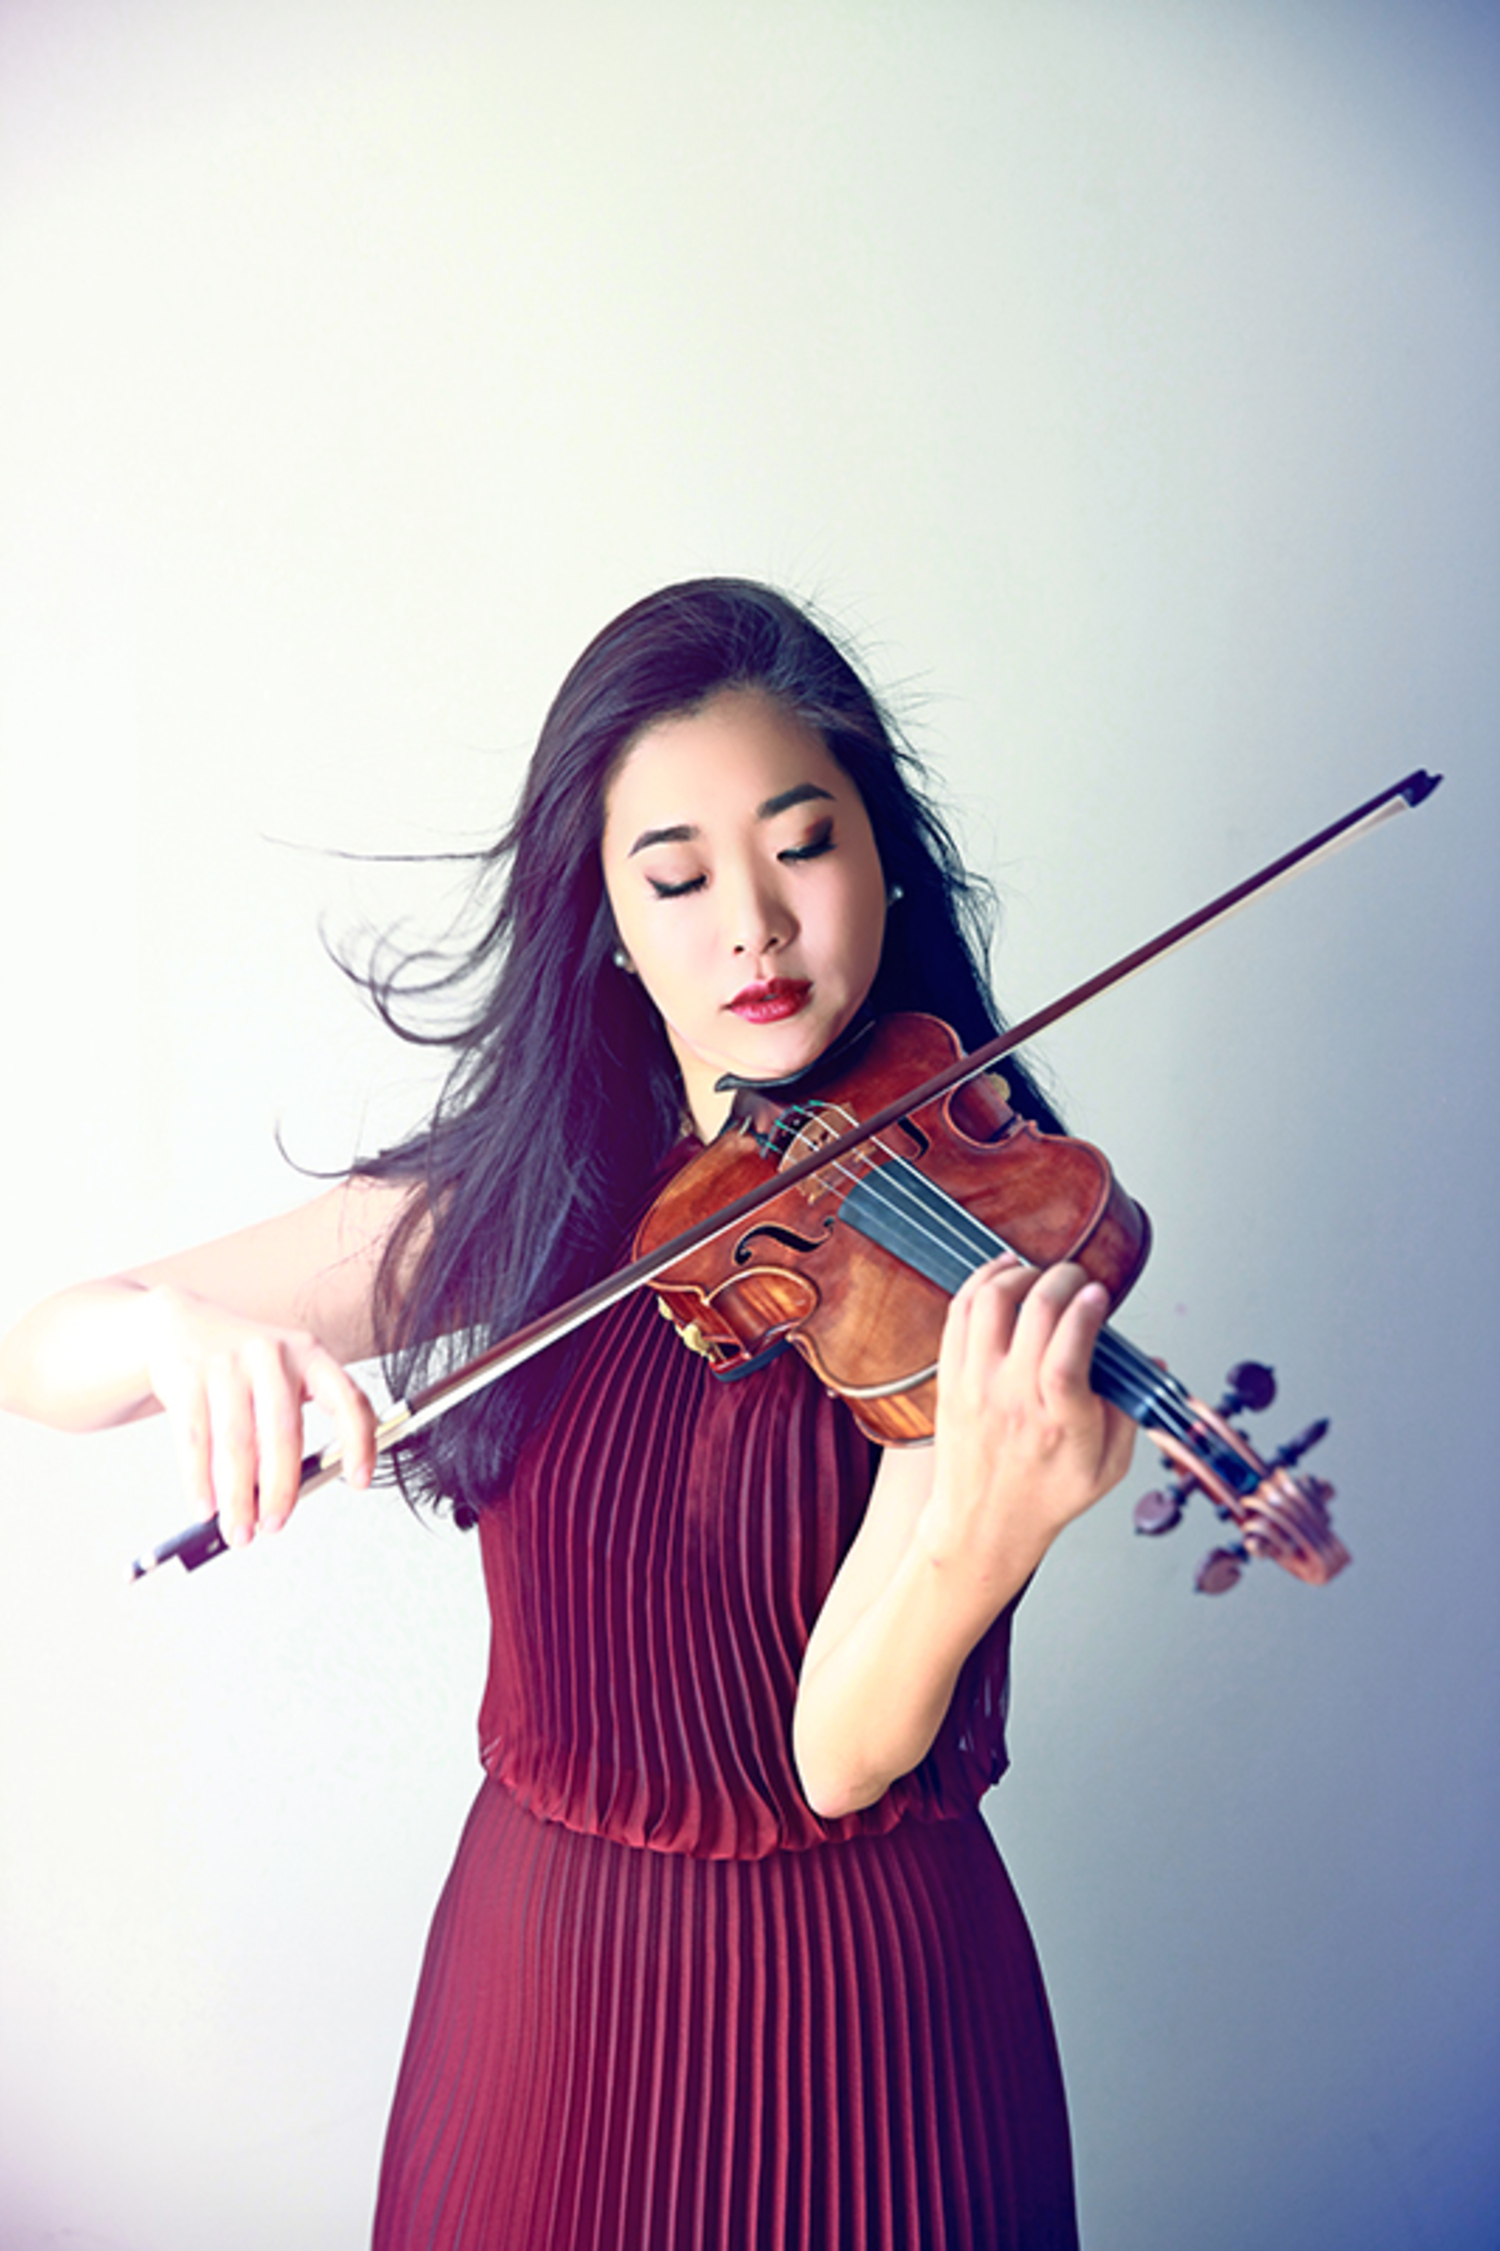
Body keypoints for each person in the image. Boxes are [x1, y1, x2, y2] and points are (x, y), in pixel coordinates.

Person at [0, 579, 1137, 2249]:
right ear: (604, 912)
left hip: (874, 2014)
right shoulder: (529, 1205)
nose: (751, 925)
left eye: (802, 847)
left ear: (884, 857)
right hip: (551, 1998)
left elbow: (834, 1754)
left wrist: (985, 1529)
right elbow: (44, 1357)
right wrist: (178, 1342)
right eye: (677, 877)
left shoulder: (986, 1225)